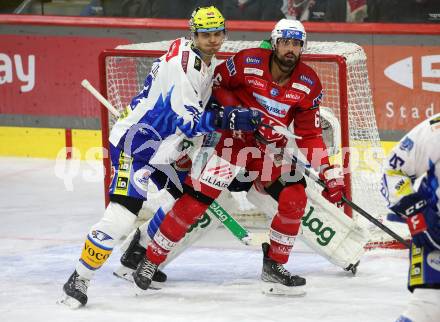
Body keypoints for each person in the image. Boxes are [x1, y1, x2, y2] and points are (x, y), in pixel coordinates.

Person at [59, 5, 261, 308]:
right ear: (194, 34)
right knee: (124, 213)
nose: (214, 40)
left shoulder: (199, 59)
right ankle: (79, 277)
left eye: (218, 33)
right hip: (136, 146)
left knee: (186, 201)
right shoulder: (184, 69)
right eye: (206, 35)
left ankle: (134, 253)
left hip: (167, 149)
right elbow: (189, 123)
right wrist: (229, 119)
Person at [132, 18, 345, 295]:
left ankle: (274, 266)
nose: (290, 49)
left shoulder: (308, 83)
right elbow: (217, 86)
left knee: (295, 196)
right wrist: (243, 117)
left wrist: (330, 173)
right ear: (275, 42)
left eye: (296, 44)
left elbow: (310, 135)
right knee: (195, 201)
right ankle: (151, 259)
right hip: (230, 144)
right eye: (285, 42)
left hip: (267, 151)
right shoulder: (248, 62)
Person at [381, 114, 440, 322]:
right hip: (433, 237)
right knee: (429, 308)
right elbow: (392, 169)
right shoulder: (436, 131)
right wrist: (416, 213)